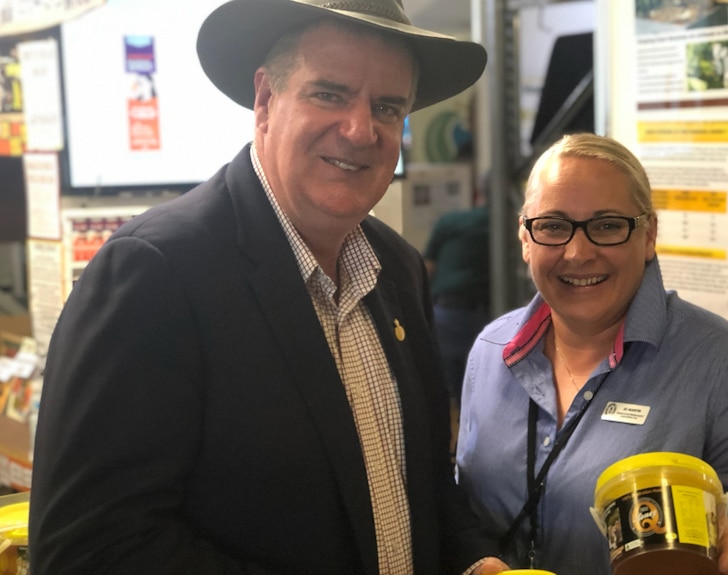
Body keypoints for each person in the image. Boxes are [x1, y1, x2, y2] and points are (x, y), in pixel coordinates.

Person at [28, 1, 505, 573]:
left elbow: (421, 481)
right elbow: (92, 548)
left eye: (386, 107)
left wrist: (477, 561)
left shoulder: (396, 268)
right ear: (264, 101)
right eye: (329, 93)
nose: (360, 129)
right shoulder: (155, 271)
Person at [456, 133, 728, 575]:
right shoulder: (490, 352)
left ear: (648, 234)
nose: (577, 252)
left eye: (608, 225)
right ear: (525, 238)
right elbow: (466, 506)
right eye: (553, 226)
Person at [424, 200, 490, 407]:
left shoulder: (450, 221)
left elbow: (426, 269)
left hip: (447, 314)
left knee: (447, 392)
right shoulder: (514, 225)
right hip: (493, 316)